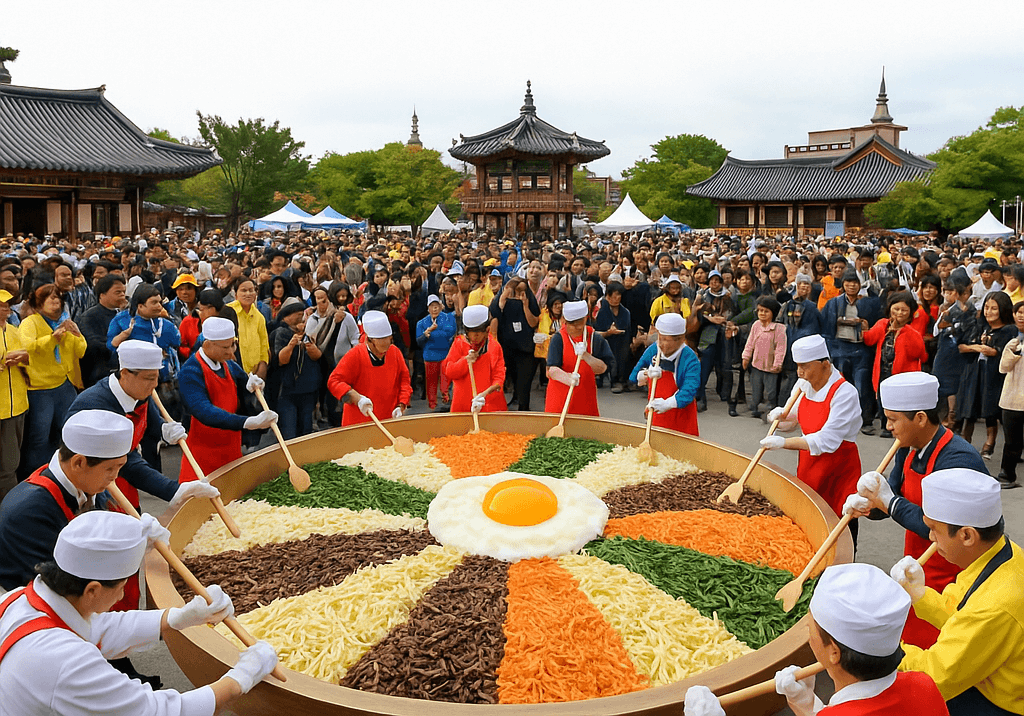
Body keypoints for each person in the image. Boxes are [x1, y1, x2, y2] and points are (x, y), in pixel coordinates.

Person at [0, 510, 280, 715]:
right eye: (123, 586)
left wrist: (179, 617)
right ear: (93, 590)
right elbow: (160, 711)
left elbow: (97, 628)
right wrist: (242, 677)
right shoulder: (67, 663)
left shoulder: (18, 600)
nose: (123, 595)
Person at [684, 563, 948, 716]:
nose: (807, 632)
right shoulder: (924, 686)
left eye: (810, 625)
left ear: (834, 652)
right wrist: (807, 703)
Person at [852, 372, 987, 648]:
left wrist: (889, 502)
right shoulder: (908, 446)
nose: (887, 426)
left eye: (893, 419)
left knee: (940, 648)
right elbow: (892, 495)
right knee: (910, 640)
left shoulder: (956, 458)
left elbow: (936, 528)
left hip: (954, 574)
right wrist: (868, 505)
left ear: (921, 418)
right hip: (917, 566)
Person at [891, 468, 1023, 715]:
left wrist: (883, 648)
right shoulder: (1004, 552)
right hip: (990, 676)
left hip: (1001, 703)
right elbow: (960, 613)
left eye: (934, 530)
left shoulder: (995, 607)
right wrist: (919, 593)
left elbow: (935, 676)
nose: (931, 538)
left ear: (967, 535)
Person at [760, 335, 863, 544]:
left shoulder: (845, 393)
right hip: (809, 464)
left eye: (805, 367)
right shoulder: (803, 384)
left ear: (824, 364)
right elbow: (793, 420)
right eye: (798, 366)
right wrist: (780, 418)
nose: (800, 372)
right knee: (809, 517)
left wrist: (783, 443)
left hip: (838, 468)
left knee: (839, 519)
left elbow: (827, 440)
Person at [178, 317, 277, 482]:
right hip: (203, 454)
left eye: (233, 344)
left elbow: (244, 380)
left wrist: (252, 383)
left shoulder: (228, 364)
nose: (232, 352)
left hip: (231, 448)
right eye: (226, 347)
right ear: (208, 344)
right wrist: (248, 422)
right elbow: (204, 411)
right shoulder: (190, 372)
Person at [18, 284, 87, 478]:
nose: (56, 301)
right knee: (39, 438)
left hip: (63, 385)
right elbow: (27, 348)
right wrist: (52, 339)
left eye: (58, 297)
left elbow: (80, 350)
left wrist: (77, 334)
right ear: (39, 303)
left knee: (67, 433)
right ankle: (36, 477)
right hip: (39, 389)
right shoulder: (30, 322)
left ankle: (63, 475)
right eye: (51, 298)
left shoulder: (65, 321)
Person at [821, 270, 882, 435]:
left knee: (862, 386)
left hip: (862, 350)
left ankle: (865, 420)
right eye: (848, 282)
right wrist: (830, 351)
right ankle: (842, 420)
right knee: (841, 388)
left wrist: (867, 326)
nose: (852, 285)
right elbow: (826, 329)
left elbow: (879, 324)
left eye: (855, 282)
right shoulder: (833, 303)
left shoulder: (869, 303)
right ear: (843, 284)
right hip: (840, 349)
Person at [327, 310, 412, 426]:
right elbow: (334, 381)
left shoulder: (395, 352)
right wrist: (356, 398)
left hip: (387, 418)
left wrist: (401, 404)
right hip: (358, 421)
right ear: (369, 340)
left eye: (387, 346)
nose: (383, 353)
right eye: (380, 349)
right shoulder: (355, 355)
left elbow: (404, 381)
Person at [956, 292, 1016, 456]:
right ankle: (964, 443)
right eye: (987, 308)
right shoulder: (980, 326)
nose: (988, 312)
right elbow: (962, 347)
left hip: (995, 375)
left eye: (994, 308)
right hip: (975, 372)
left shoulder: (1009, 331)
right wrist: (977, 348)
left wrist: (993, 351)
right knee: (970, 406)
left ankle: (992, 441)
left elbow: (1005, 353)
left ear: (1003, 310)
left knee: (991, 409)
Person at [864, 291, 928, 438]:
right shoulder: (882, 324)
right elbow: (869, 339)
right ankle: (884, 424)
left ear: (911, 312)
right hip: (882, 369)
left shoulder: (912, 331)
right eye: (896, 309)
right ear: (890, 309)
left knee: (897, 401)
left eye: (904, 310)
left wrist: (905, 331)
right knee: (881, 398)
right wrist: (863, 328)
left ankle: (895, 427)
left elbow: (919, 353)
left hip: (902, 373)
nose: (900, 313)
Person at [630, 313, 700, 436]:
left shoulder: (690, 359)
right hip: (655, 414)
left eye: (665, 340)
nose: (660, 343)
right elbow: (634, 375)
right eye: (659, 338)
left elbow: (690, 390)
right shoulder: (653, 349)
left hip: (681, 418)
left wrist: (668, 404)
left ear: (680, 339)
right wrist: (646, 373)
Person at [544, 300, 614, 417]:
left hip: (585, 397)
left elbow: (604, 368)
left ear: (586, 319)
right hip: (560, 398)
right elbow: (551, 370)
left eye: (580, 323)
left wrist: (586, 356)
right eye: (572, 324)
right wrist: (568, 378)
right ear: (564, 321)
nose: (577, 328)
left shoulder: (594, 338)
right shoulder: (558, 339)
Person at [270, 298, 322, 439]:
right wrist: (291, 345)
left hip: (308, 389)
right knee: (289, 431)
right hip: (288, 390)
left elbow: (318, 357)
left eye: (301, 313)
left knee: (306, 429)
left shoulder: (308, 331)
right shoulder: (281, 332)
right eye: (296, 313)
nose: (300, 315)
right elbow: (281, 360)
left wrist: (312, 348)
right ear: (286, 316)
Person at [442, 304, 507, 414]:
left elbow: (499, 377)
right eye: (470, 334)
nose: (473, 339)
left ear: (487, 330)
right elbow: (449, 372)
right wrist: (465, 361)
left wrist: (483, 395)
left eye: (477, 335)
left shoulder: (494, 347)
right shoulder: (459, 343)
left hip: (489, 404)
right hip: (462, 405)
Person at [0, 288, 28, 499]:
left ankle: (7, 510)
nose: (6, 310)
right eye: (2, 306)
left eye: (7, 306)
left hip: (15, 405)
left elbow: (30, 359)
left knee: (9, 465)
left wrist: (23, 358)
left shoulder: (13, 331)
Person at [741, 296, 786, 419]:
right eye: (760, 310)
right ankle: (754, 408)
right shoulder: (756, 325)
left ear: (773, 313)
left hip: (771, 367)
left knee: (771, 391)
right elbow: (750, 343)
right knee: (756, 388)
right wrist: (746, 357)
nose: (762, 313)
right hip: (756, 365)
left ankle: (770, 410)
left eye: (766, 311)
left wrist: (778, 364)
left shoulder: (779, 328)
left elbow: (780, 348)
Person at [996, 301, 1024, 489]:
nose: (1021, 316)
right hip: (1012, 399)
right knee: (1012, 442)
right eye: (1019, 312)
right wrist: (1013, 351)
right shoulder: (1012, 339)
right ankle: (1007, 475)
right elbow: (1003, 367)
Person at [417, 294, 457, 409]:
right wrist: (427, 333)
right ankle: (432, 404)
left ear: (440, 307)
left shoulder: (448, 318)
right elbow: (419, 340)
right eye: (432, 306)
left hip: (445, 354)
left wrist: (432, 333)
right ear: (428, 308)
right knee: (431, 382)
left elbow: (449, 333)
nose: (434, 308)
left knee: (446, 379)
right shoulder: (421, 323)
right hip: (430, 356)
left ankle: (446, 398)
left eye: (436, 306)